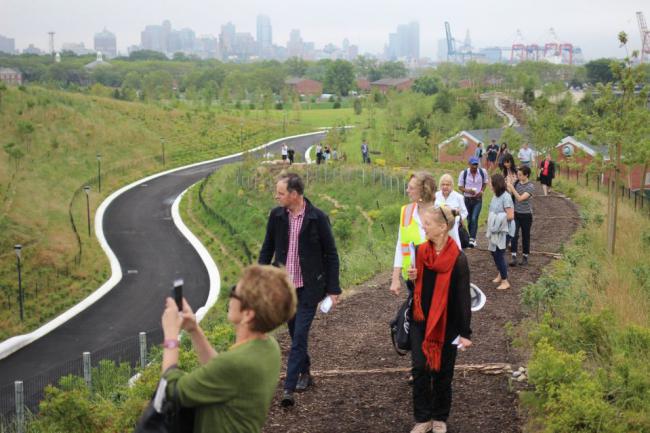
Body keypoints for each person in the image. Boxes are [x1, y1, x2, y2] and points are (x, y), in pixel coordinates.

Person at [160, 265, 297, 433]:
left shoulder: (236, 363)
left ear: (248, 314)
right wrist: (193, 329)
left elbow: (173, 390)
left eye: (234, 292)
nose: (230, 297)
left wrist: (171, 335)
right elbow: (219, 371)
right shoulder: (269, 348)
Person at [259, 173, 341, 407]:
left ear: (294, 194)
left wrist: (333, 289)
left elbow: (331, 254)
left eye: (280, 193)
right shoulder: (276, 216)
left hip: (309, 288)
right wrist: (259, 278)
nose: (276, 196)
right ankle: (305, 372)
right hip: (285, 289)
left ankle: (288, 387)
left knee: (299, 336)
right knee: (295, 333)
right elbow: (267, 248)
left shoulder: (318, 218)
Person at [406, 205, 472, 433]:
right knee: (419, 369)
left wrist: (465, 333)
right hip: (420, 320)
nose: (423, 227)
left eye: (428, 224)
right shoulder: (419, 251)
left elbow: (463, 298)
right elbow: (413, 289)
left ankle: (440, 417)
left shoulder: (458, 259)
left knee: (444, 371)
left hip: (447, 324)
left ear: (443, 228)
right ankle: (423, 418)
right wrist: (411, 278)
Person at [389, 172, 438, 296]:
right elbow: (401, 245)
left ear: (423, 191)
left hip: (437, 279)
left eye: (411, 188)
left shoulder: (442, 212)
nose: (407, 190)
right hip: (412, 280)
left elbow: (455, 250)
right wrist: (395, 278)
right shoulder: (406, 211)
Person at [486, 174, 515, 290]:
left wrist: (497, 219)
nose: (489, 184)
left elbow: (510, 215)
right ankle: (501, 273)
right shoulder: (495, 196)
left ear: (495, 184)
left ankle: (505, 281)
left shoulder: (506, 197)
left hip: (505, 231)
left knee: (499, 253)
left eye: (490, 182)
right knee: (493, 252)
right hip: (496, 230)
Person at [507, 165, 535, 266]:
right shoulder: (517, 183)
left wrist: (512, 188)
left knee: (525, 236)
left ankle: (525, 257)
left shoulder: (530, 187)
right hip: (516, 213)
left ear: (526, 175)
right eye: (517, 174)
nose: (518, 176)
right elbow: (511, 193)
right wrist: (509, 184)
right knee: (514, 235)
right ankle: (513, 257)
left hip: (526, 215)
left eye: (520, 175)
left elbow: (520, 198)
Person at [457, 157, 488, 248]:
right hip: (467, 200)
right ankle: (471, 237)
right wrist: (468, 191)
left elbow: (485, 182)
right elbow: (460, 187)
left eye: (476, 164)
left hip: (478, 200)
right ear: (469, 164)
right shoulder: (464, 173)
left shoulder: (482, 172)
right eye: (473, 164)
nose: (475, 166)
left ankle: (472, 239)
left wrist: (482, 191)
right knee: (469, 220)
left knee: (474, 218)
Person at [435, 174, 468, 250]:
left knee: (454, 248)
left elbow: (464, 212)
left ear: (452, 186)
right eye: (443, 184)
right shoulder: (436, 195)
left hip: (453, 228)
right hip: (439, 228)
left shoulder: (458, 197)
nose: (445, 187)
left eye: (447, 185)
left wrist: (458, 218)